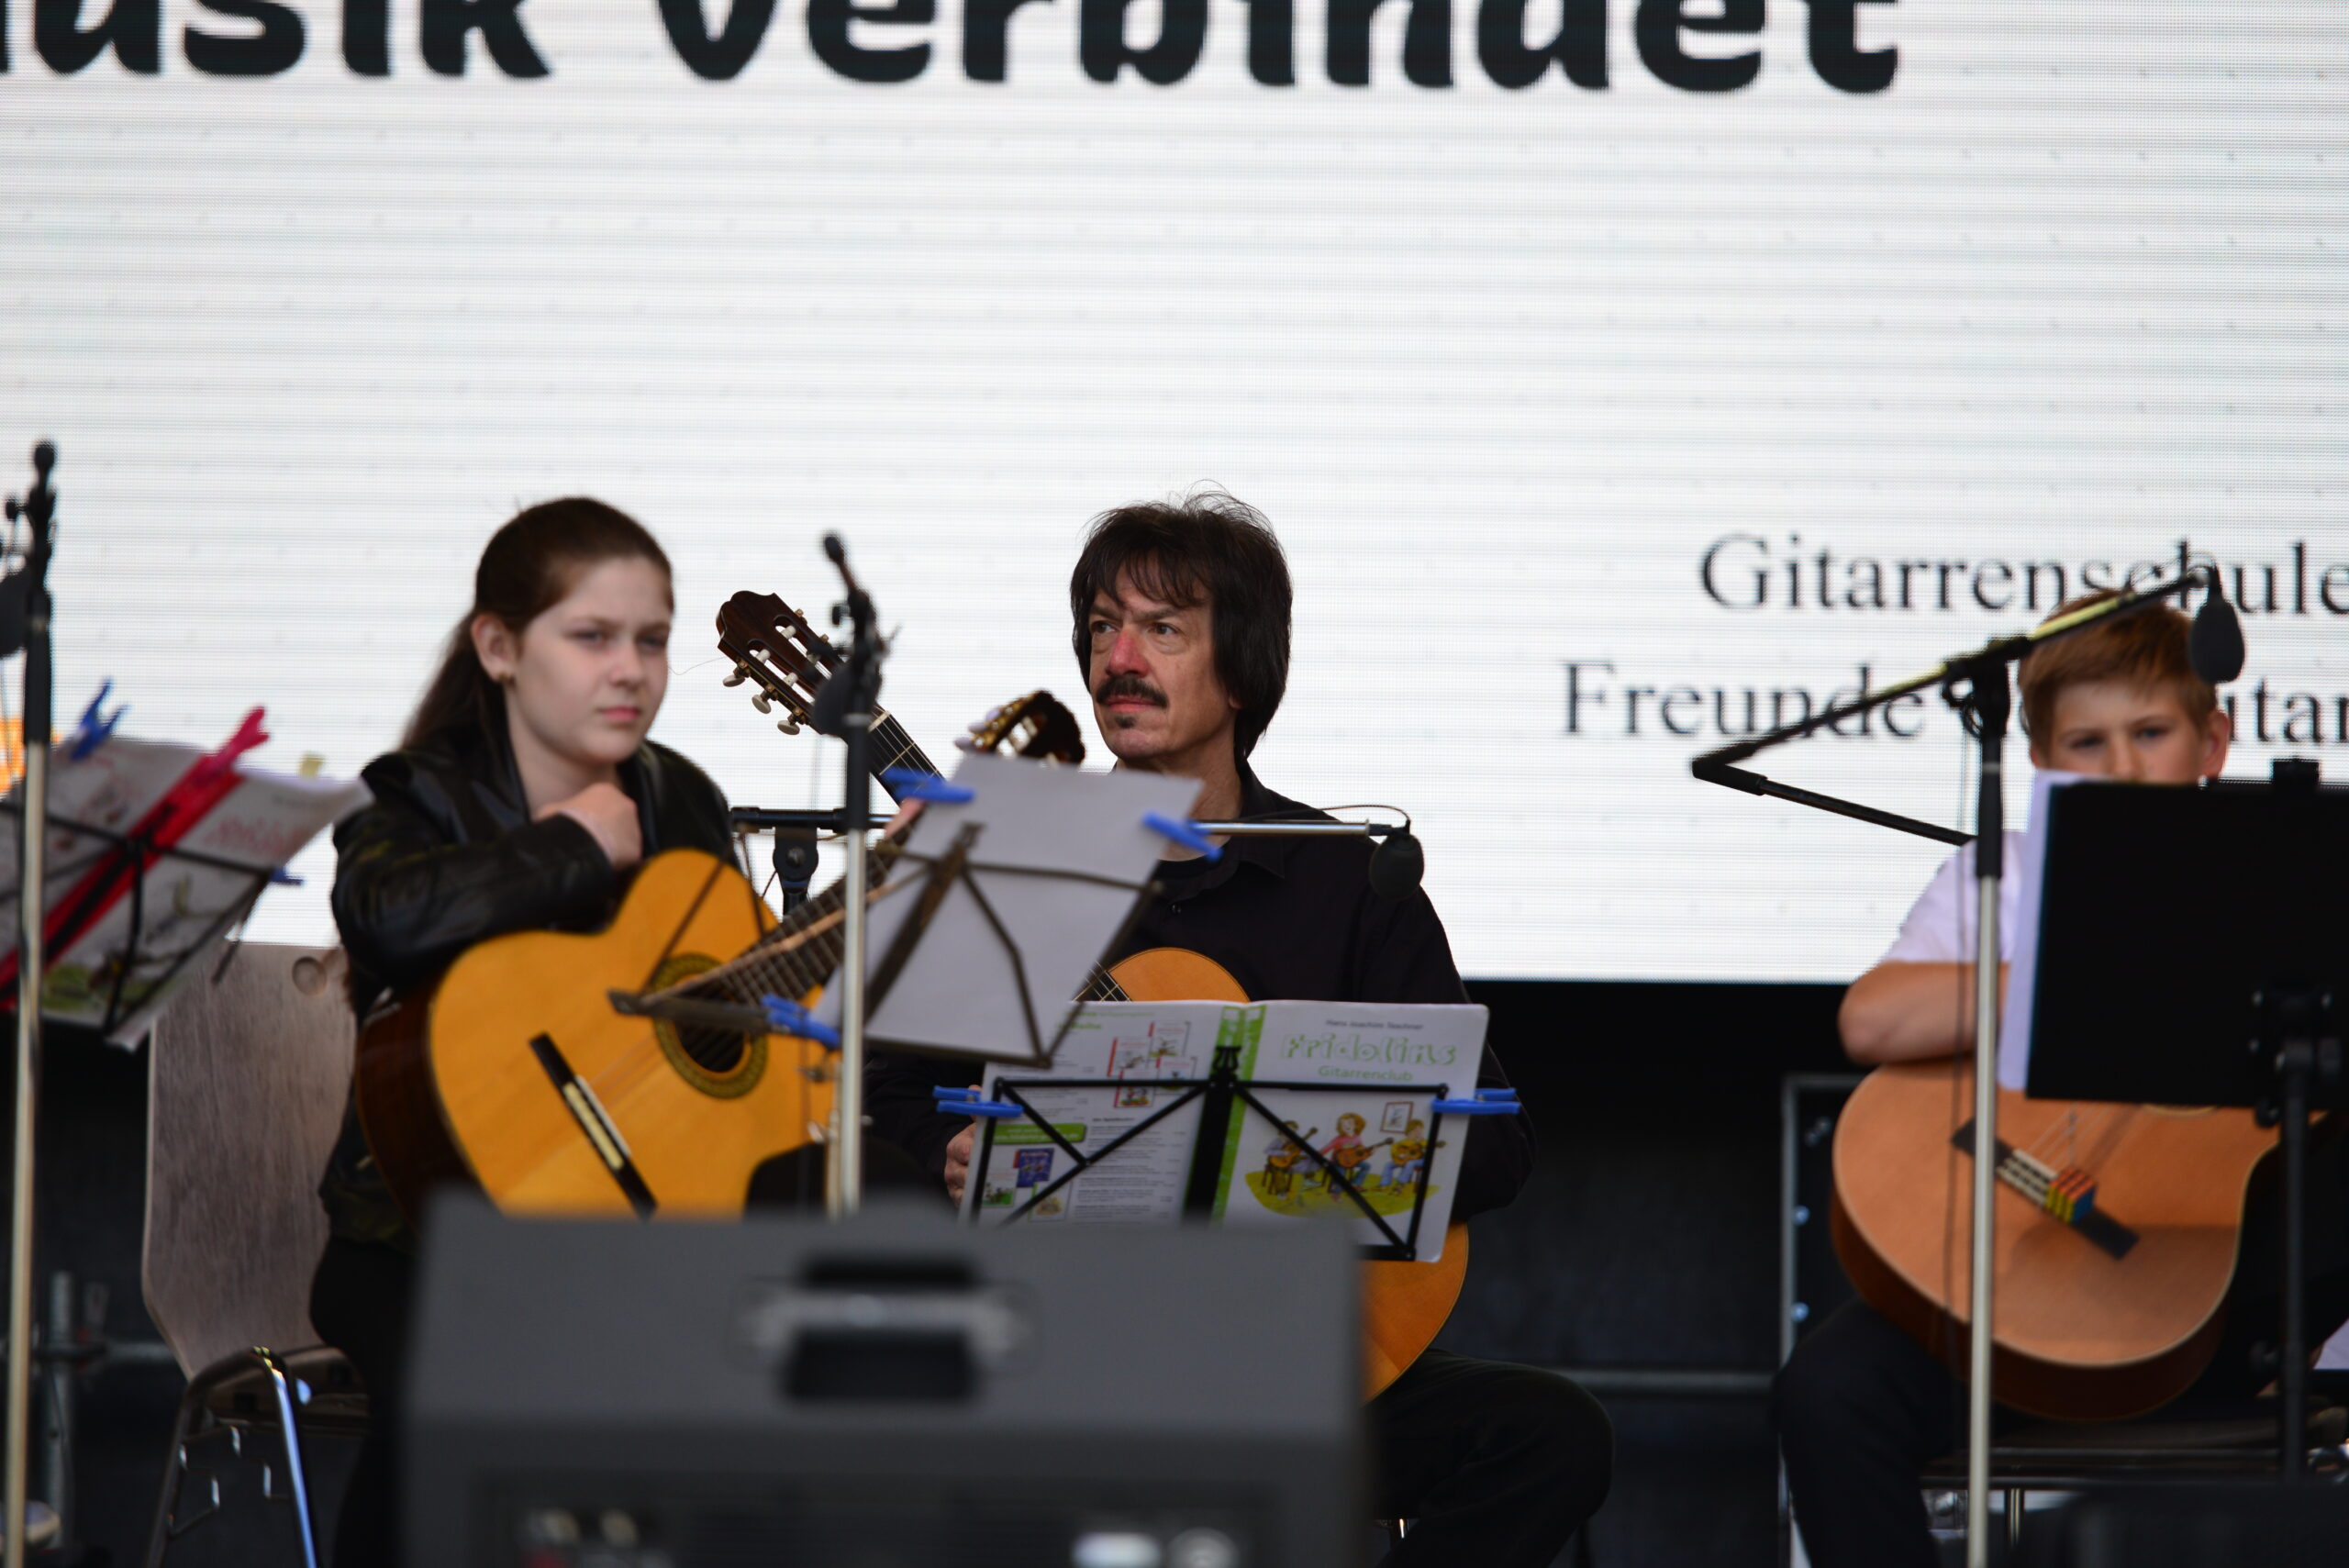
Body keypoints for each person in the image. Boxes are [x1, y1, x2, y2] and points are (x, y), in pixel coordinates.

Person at [865, 490, 1613, 1566]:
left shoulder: (1348, 880)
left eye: (1162, 629)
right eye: (1101, 628)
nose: (1119, 658)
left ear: (1242, 671)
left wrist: (1299, 1153)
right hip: (1064, 1354)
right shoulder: (1019, 865)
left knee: (1549, 1434)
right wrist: (946, 1148)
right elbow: (887, 1097)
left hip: (1287, 1357)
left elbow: (1494, 1145)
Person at [1773, 592, 2349, 1568]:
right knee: (1828, 1388)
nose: (2121, 765)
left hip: (2234, 1305)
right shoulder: (2001, 877)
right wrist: (2078, 973)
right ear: (2040, 759)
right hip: (2030, 1276)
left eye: (2150, 733)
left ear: (2212, 741)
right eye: (2086, 742)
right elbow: (1872, 1019)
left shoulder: (2292, 881)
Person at [310, 499, 734, 1568]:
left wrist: (880, 910)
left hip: (629, 1226)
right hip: (420, 1234)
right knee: (474, 1387)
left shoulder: (686, 800)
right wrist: (568, 847)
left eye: (652, 639)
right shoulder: (418, 794)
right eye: (592, 636)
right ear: (499, 647)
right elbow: (383, 916)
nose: (630, 669)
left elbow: (720, 1000)